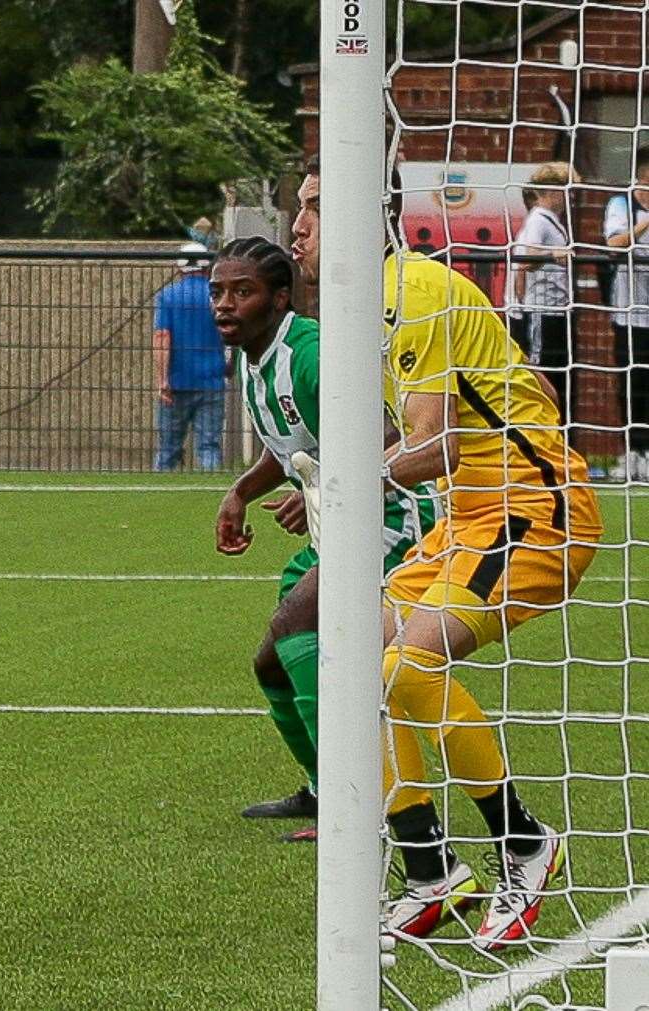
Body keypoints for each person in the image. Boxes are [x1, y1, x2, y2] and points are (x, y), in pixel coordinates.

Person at [292, 159, 601, 950]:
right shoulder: (376, 302)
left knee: (408, 666)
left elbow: (433, 444)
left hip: (532, 512)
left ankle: (525, 843)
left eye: (316, 208)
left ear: (364, 215)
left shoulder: (411, 292)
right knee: (353, 655)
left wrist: (345, 479)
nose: (299, 226)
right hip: (471, 516)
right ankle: (430, 868)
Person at [213, 237, 434, 844]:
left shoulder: (310, 354)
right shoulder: (255, 358)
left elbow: (385, 434)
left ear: (280, 299)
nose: (224, 304)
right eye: (218, 292)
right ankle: (322, 788)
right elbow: (288, 442)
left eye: (242, 291)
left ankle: (359, 802)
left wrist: (330, 482)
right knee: (272, 664)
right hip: (339, 522)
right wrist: (243, 491)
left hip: (392, 519)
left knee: (297, 633)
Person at [509, 162, 580, 444]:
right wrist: (554, 253)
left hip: (553, 311)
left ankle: (551, 437)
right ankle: (539, 436)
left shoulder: (548, 221)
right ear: (550, 191)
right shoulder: (539, 219)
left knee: (556, 373)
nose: (569, 198)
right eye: (565, 190)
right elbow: (525, 259)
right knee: (541, 376)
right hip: (541, 311)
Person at [153, 242, 228, 471]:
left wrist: (163, 380)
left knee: (168, 449)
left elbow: (162, 336)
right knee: (209, 446)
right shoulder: (217, 297)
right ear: (208, 266)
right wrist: (229, 363)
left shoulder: (168, 296)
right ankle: (211, 497)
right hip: (212, 380)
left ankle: (158, 497)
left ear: (180, 267)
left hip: (177, 382)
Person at [604, 150, 649, 477]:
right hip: (630, 313)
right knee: (633, 381)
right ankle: (634, 451)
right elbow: (614, 244)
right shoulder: (622, 206)